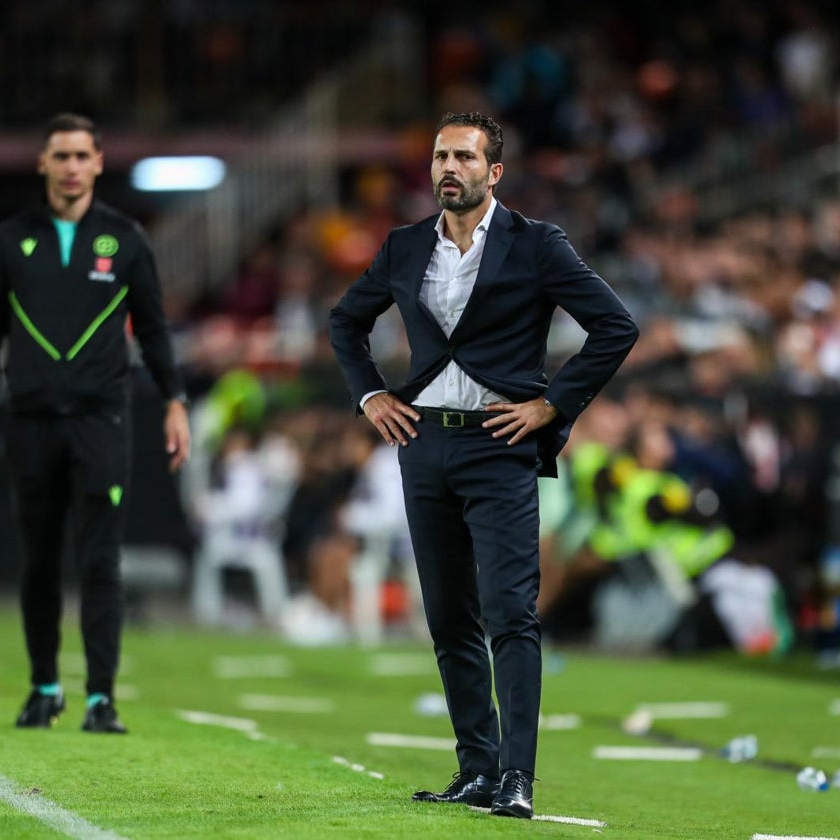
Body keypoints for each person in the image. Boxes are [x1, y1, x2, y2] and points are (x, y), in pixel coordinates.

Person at [329, 112, 637, 819]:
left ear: (493, 172)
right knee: (447, 616)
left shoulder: (537, 244)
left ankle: (517, 777)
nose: (449, 167)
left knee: (510, 614)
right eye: (441, 155)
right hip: (423, 442)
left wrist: (552, 406)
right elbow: (346, 321)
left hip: (501, 445)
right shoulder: (405, 246)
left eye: (464, 156)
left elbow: (616, 325)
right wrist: (371, 394)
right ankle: (476, 767)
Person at [0, 113, 190, 734]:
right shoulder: (10, 239)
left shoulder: (126, 239)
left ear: (99, 162)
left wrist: (175, 401)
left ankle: (100, 698)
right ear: (43, 164)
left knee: (100, 561)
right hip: (30, 422)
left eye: (82, 155)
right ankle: (43, 687)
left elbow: (155, 328)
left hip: (100, 422)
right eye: (61, 156)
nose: (72, 167)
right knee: (38, 561)